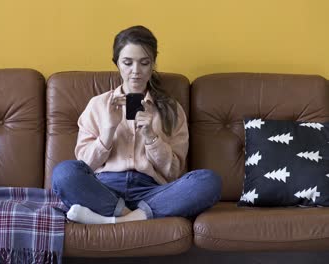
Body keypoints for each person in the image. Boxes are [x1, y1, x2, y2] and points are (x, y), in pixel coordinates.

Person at [51, 25, 222, 224]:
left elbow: (174, 172)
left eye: (144, 63)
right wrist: (107, 132)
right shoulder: (97, 105)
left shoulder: (171, 109)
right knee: (64, 173)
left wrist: (151, 137)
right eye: (127, 62)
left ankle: (110, 220)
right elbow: (84, 165)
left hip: (152, 191)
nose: (136, 71)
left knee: (209, 181)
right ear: (117, 64)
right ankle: (131, 215)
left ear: (153, 64)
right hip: (104, 189)